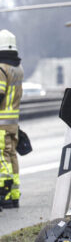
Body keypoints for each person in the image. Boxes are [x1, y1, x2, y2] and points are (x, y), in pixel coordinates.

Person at [0, 30, 24, 208]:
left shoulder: (1, 69)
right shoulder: (17, 68)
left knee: (2, 158)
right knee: (12, 156)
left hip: (1, 122)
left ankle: (5, 194)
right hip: (13, 122)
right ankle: (14, 193)